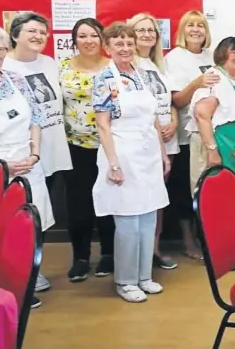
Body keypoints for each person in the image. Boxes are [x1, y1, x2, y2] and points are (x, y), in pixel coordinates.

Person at [92, 22, 171, 303]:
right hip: (121, 153)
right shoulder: (104, 79)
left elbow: (153, 119)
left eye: (128, 43)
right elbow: (102, 126)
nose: (125, 49)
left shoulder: (142, 75)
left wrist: (162, 153)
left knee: (148, 217)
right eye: (118, 44)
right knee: (128, 222)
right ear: (108, 48)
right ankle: (125, 281)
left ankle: (144, 276)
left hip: (148, 152)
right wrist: (113, 164)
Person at [0, 25, 55, 309]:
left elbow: (35, 120)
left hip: (26, 163)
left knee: (25, 227)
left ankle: (22, 282)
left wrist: (34, 154)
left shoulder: (17, 80)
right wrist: (0, 166)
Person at [2, 12, 73, 290]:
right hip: (22, 153)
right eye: (31, 31)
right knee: (19, 213)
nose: (38, 36)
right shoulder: (5, 66)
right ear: (15, 34)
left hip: (53, 148)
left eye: (43, 32)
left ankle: (35, 268)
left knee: (41, 214)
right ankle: (15, 271)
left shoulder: (50, 63)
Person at [59, 19, 116, 283]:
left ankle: (109, 254)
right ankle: (80, 257)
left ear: (101, 39)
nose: (88, 40)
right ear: (74, 40)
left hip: (110, 146)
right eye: (82, 36)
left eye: (93, 35)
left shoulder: (114, 67)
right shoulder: (62, 69)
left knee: (109, 200)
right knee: (79, 203)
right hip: (75, 146)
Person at [163, 10, 218, 261]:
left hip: (213, 134)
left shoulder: (212, 55)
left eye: (200, 25)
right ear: (182, 30)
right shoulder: (174, 58)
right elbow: (177, 99)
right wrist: (197, 82)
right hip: (187, 135)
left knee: (209, 189)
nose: (196, 30)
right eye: (190, 25)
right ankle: (188, 240)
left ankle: (208, 237)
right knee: (185, 190)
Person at [131, 13, 179, 271]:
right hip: (143, 142)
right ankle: (138, 251)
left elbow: (168, 101)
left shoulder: (159, 65)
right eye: (141, 30)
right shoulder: (130, 65)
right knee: (141, 197)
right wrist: (155, 127)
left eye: (151, 30)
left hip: (166, 141)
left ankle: (155, 248)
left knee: (159, 197)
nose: (147, 34)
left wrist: (173, 121)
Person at [188, 37, 235, 194]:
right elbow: (202, 114)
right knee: (215, 198)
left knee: (232, 198)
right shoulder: (215, 77)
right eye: (234, 52)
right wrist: (212, 151)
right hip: (219, 151)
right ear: (222, 54)